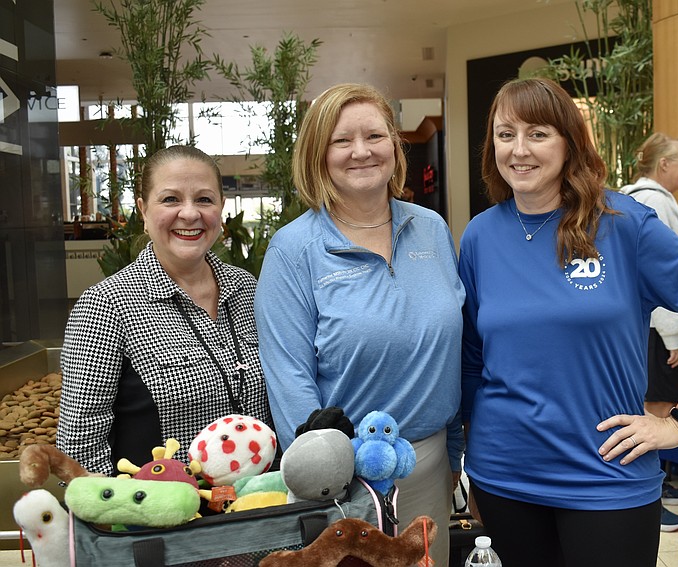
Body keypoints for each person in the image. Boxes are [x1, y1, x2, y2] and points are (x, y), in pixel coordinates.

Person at [459, 77, 678, 566]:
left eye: (538, 133)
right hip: (505, 476)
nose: (519, 150)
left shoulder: (622, 223)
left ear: (569, 142)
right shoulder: (480, 236)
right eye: (505, 133)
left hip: (606, 475)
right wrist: (473, 463)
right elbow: (473, 359)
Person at [254, 83, 465, 567]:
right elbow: (289, 378)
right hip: (344, 483)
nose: (361, 151)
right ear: (318, 155)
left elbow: (451, 350)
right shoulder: (294, 250)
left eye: (374, 135)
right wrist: (328, 477)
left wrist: (454, 453)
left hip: (428, 463)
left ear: (394, 144)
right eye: (342, 140)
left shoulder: (430, 228)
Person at [58, 145, 271, 475]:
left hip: (260, 507)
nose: (189, 214)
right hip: (166, 517)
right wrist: (123, 512)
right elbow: (79, 448)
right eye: (171, 199)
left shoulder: (247, 289)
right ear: (143, 211)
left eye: (204, 199)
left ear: (221, 208)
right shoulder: (106, 306)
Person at [621, 132, 678, 532]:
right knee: (654, 411)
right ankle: (649, 499)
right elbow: (660, 278)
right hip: (660, 329)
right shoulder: (651, 201)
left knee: (656, 403)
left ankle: (656, 488)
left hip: (660, 327)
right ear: (663, 165)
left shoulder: (650, 198)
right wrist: (673, 335)